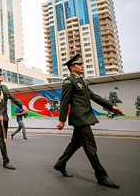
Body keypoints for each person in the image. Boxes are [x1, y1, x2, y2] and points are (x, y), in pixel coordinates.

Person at [54, 53, 122, 189]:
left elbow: (93, 96)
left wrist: (111, 106)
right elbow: (64, 102)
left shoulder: (81, 81)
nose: (82, 66)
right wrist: (61, 120)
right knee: (91, 148)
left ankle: (60, 164)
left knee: (75, 144)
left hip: (85, 117)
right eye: (79, 64)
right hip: (80, 119)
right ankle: (101, 176)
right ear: (72, 67)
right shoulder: (69, 81)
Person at [0, 68, 28, 170]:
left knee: (3, 137)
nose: (1, 76)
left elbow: (12, 98)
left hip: (5, 117)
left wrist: (22, 105)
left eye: (1, 75)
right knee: (2, 139)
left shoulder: (4, 87)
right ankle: (6, 162)